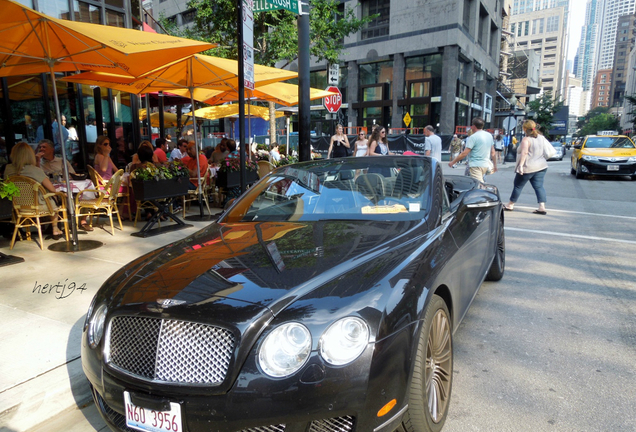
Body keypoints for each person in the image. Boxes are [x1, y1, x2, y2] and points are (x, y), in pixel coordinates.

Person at [4, 142, 65, 239]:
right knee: (54, 197)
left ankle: (27, 231)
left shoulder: (8, 169)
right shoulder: (34, 170)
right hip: (38, 206)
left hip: (17, 206)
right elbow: (52, 189)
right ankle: (55, 227)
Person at [504, 120, 548, 214]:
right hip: (541, 166)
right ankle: (542, 207)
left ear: (524, 129)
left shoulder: (526, 139)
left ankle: (510, 204)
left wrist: (520, 166)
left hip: (529, 166)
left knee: (518, 185)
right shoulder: (541, 137)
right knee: (539, 186)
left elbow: (524, 153)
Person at [448, 117, 496, 183]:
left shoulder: (473, 137)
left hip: (476, 165)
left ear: (474, 126)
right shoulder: (489, 135)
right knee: (481, 184)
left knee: (478, 187)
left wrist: (453, 162)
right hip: (485, 165)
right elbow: (493, 152)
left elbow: (464, 153)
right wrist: (495, 165)